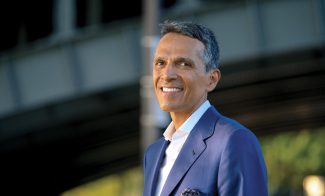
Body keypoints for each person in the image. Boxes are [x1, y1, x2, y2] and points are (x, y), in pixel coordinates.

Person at [142, 20, 268, 196]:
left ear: (212, 79)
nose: (167, 74)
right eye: (160, 63)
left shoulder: (234, 141)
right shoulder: (153, 154)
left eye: (184, 64)